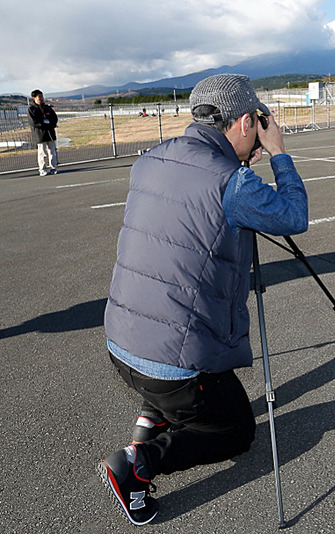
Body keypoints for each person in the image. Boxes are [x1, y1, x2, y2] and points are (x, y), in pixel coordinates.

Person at [97, 73, 308, 526]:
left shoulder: (151, 159)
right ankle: (137, 464)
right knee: (235, 430)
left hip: (120, 342)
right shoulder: (233, 184)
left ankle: (154, 418)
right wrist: (280, 154)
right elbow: (293, 216)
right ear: (247, 121)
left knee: (174, 322)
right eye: (258, 125)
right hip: (171, 367)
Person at [28, 90, 58, 176]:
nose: (41, 98)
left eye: (42, 96)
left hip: (50, 133)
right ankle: (42, 169)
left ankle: (53, 167)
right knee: (42, 153)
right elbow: (33, 122)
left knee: (52, 151)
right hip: (40, 134)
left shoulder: (48, 108)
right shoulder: (32, 109)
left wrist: (51, 125)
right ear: (34, 98)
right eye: (39, 97)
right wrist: (44, 125)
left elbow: (54, 118)